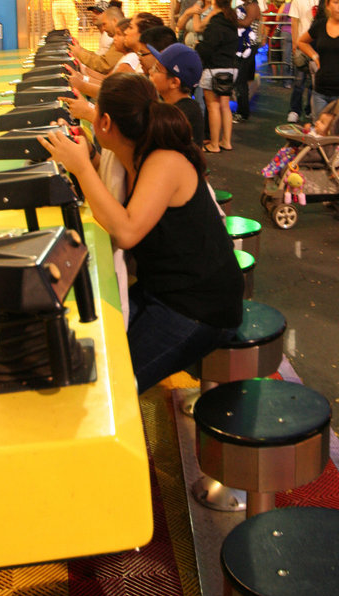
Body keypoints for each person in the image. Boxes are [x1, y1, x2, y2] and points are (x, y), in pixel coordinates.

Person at [39, 74, 243, 393]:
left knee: (110, 385)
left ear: (105, 122)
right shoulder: (132, 152)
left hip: (200, 308)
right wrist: (89, 158)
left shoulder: (164, 160)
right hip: (164, 291)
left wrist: (80, 167)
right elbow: (110, 191)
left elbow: (128, 231)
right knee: (93, 343)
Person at [196, 0, 238, 153]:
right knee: (225, 106)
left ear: (215, 2)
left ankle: (213, 144)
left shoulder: (215, 24)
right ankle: (226, 141)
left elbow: (207, 48)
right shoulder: (231, 21)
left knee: (212, 105)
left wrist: (198, 47)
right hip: (231, 68)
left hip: (213, 69)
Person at [147, 42, 204, 147]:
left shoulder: (180, 116)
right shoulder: (172, 106)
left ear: (174, 83)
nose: (150, 72)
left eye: (157, 69)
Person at [287, 0, 326, 122]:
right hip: (303, 43)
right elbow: (294, 22)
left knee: (316, 80)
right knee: (299, 79)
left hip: (321, 44)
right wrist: (295, 42)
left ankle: (310, 110)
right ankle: (294, 110)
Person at [233, 0, 261, 122]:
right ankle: (242, 110)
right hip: (243, 46)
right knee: (241, 79)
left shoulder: (252, 6)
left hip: (248, 46)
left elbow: (246, 23)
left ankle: (243, 112)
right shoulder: (245, 5)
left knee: (241, 79)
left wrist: (229, 20)